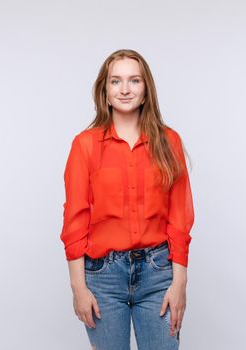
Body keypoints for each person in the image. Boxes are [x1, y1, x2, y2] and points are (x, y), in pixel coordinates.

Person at [59, 48, 195, 350]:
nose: (124, 89)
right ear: (105, 92)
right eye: (116, 81)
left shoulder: (168, 141)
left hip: (158, 272)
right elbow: (75, 220)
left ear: (146, 91)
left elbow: (179, 217)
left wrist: (179, 283)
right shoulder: (85, 145)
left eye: (134, 80)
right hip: (103, 277)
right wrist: (78, 287)